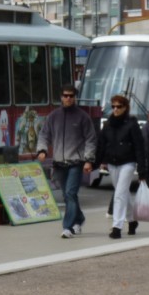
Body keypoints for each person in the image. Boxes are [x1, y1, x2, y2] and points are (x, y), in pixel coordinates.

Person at [36, 84, 97, 239]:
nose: (68, 98)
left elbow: (91, 139)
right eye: (65, 95)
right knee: (68, 195)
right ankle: (79, 219)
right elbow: (44, 135)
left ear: (75, 97)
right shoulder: (53, 116)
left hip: (76, 162)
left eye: (71, 96)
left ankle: (67, 227)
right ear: (61, 97)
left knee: (70, 193)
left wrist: (89, 160)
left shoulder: (83, 117)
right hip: (59, 163)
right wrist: (42, 150)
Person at [95, 95, 148, 239]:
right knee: (122, 193)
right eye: (113, 106)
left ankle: (117, 227)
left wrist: (142, 169)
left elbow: (139, 147)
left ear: (125, 107)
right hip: (112, 163)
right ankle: (132, 220)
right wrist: (94, 163)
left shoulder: (132, 124)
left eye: (119, 106)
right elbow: (101, 146)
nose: (115, 109)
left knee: (119, 194)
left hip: (128, 163)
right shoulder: (107, 125)